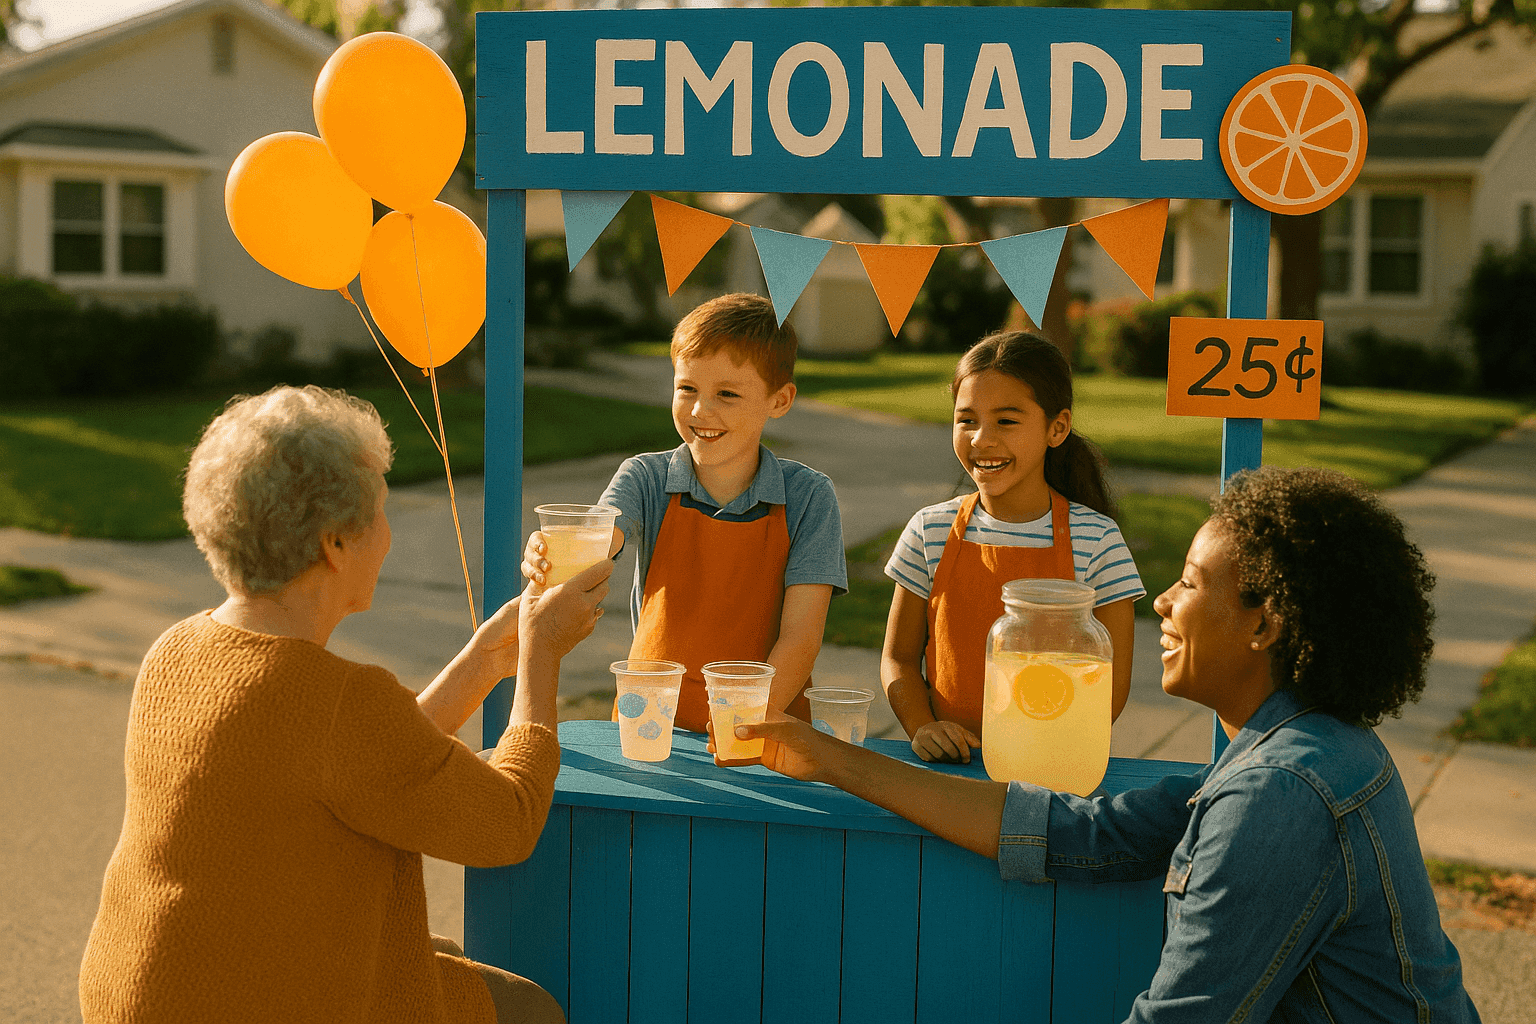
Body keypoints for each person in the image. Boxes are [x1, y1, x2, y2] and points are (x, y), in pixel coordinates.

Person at [741, 467, 1481, 1023]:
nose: (1162, 601)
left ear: (1265, 626)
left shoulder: (1281, 793)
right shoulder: (1287, 750)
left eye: (1190, 583)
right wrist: (832, 758)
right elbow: (1080, 833)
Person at [79, 385, 611, 1024]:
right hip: (252, 1001)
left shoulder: (177, 649)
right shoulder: (339, 701)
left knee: (433, 954)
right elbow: (506, 823)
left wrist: (486, 661)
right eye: (382, 511)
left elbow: (367, 758)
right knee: (532, 1010)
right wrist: (540, 659)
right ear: (335, 543)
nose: (389, 535)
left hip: (138, 992)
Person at [522, 293, 847, 733]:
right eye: (686, 388)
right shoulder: (645, 477)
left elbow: (800, 638)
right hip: (650, 725)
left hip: (762, 727)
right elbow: (600, 539)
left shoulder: (810, 497)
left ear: (780, 400)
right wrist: (555, 550)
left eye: (727, 394)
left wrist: (748, 720)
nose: (700, 410)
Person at [883, 331, 1142, 763]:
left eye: (1006, 420)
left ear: (1056, 428)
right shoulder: (929, 531)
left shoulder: (1098, 541)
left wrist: (1051, 748)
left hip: (1051, 767)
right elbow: (898, 658)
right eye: (967, 419)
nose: (981, 439)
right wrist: (923, 727)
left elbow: (1110, 681)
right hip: (950, 766)